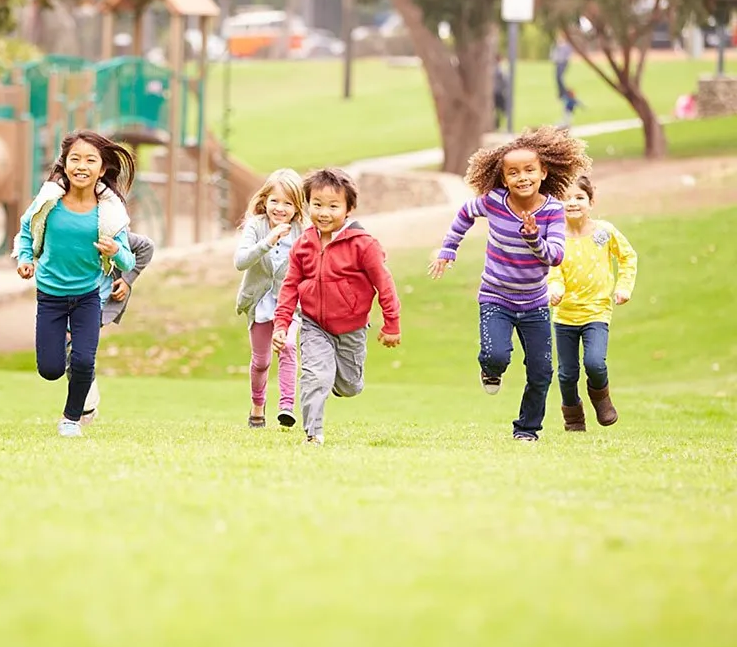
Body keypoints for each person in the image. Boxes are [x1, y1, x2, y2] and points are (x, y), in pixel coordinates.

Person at [428, 126, 591, 441]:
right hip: (495, 297)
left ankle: (527, 429)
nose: (523, 177)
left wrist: (533, 239)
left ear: (544, 172)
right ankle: (490, 369)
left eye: (530, 170)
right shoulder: (493, 202)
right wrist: (449, 248)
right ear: (503, 179)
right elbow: (464, 213)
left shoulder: (553, 212)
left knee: (542, 372)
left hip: (535, 304)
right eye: (513, 172)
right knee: (496, 356)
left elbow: (555, 256)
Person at [15, 130, 135, 438]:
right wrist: (25, 259)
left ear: (103, 168)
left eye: (90, 160)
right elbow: (27, 231)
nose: (82, 166)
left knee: (84, 360)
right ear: (65, 164)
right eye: (75, 159)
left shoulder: (109, 211)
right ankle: (72, 377)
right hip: (50, 295)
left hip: (88, 296)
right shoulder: (48, 201)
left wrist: (115, 251)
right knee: (51, 369)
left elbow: (129, 262)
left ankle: (71, 418)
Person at [272, 168, 402, 445]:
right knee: (316, 376)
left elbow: (385, 284)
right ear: (308, 205)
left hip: (352, 327)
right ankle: (313, 433)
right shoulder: (302, 245)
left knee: (349, 386)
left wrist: (392, 323)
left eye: (333, 206)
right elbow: (290, 286)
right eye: (317, 205)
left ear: (349, 209)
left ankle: (337, 381)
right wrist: (281, 324)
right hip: (313, 324)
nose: (324, 213)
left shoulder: (364, 245)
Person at [548, 176, 637, 431]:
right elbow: (551, 269)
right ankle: (573, 417)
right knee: (566, 374)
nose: (572, 203)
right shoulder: (555, 238)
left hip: (596, 312)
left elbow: (628, 257)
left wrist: (623, 287)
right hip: (564, 316)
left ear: (591, 201)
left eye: (579, 197)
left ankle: (601, 398)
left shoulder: (604, 232)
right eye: (565, 198)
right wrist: (554, 288)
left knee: (595, 363)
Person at [234, 168, 306, 429]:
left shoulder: (302, 232)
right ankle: (257, 404)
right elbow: (240, 262)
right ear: (264, 200)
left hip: (290, 304)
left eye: (288, 203)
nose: (280, 208)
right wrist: (268, 240)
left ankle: (286, 407)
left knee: (287, 346)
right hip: (259, 302)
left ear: (297, 208)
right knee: (262, 361)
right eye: (275, 201)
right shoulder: (256, 226)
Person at [68, 229, 155, 425]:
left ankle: (84, 408)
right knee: (66, 354)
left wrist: (126, 280)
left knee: (77, 350)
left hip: (96, 300)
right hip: (66, 296)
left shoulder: (108, 230)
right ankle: (86, 404)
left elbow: (146, 247)